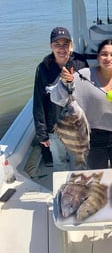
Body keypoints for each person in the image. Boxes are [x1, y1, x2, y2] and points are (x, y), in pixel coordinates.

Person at [49, 39, 112, 169]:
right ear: (98, 57)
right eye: (104, 54)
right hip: (93, 137)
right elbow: (56, 98)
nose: (108, 58)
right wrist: (64, 82)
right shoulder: (83, 76)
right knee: (97, 174)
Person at [33, 26, 88, 170]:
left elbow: (87, 93)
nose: (62, 49)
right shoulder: (43, 68)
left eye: (65, 44)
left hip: (77, 125)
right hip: (55, 127)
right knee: (59, 162)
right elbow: (39, 101)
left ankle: (79, 188)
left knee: (79, 162)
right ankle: (62, 190)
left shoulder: (80, 62)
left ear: (71, 45)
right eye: (57, 44)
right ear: (51, 46)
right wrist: (42, 134)